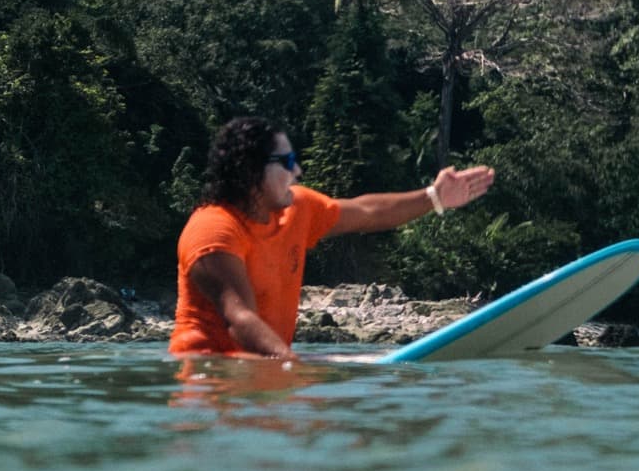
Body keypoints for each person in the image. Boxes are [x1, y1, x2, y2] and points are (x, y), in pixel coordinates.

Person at [169, 117, 495, 358]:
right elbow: (239, 319)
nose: (297, 172)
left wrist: (434, 197)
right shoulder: (213, 229)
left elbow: (367, 212)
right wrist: (292, 366)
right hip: (208, 384)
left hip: (265, 369)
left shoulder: (296, 209)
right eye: (288, 162)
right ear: (250, 170)